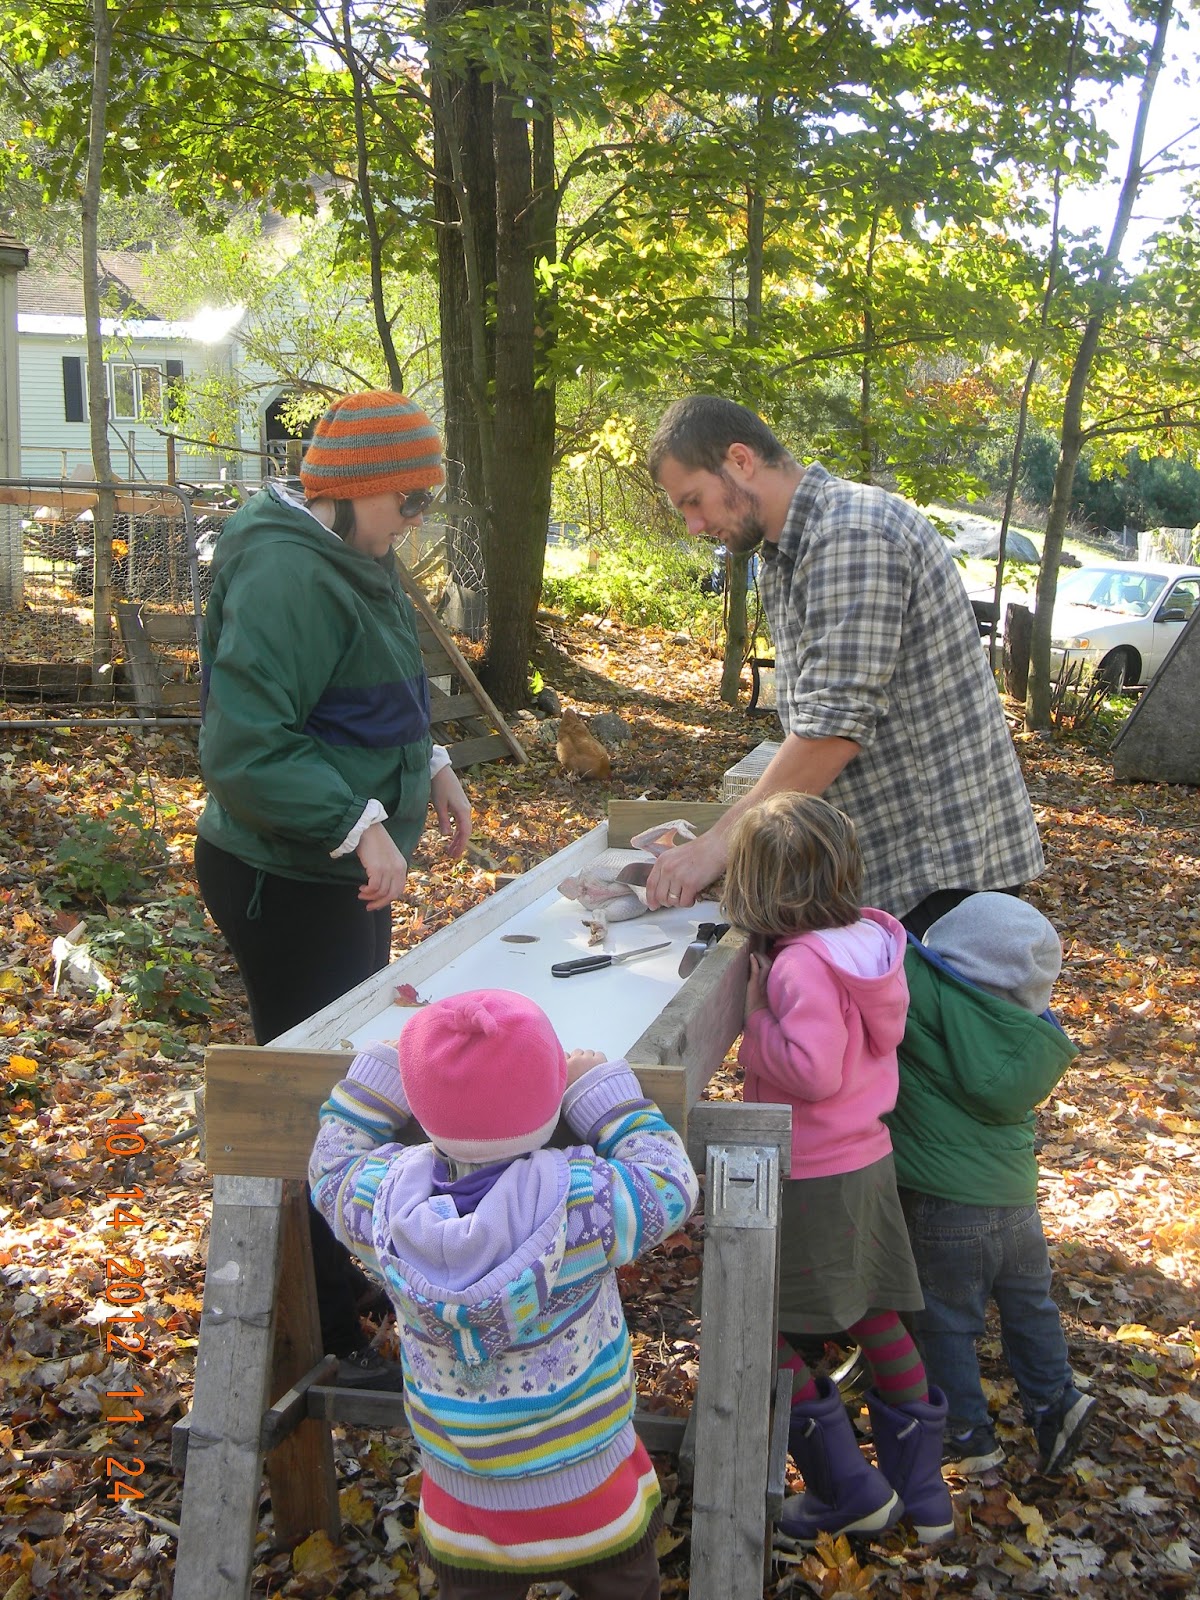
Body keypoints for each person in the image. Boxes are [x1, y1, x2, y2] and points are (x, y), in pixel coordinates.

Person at [194, 390, 472, 1387]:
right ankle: (313, 1328)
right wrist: (358, 824)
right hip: (285, 876)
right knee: (322, 1104)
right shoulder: (281, 570)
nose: (417, 519)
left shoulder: (358, 552)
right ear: (349, 489)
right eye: (408, 500)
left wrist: (431, 763)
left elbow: (375, 681)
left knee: (349, 1089)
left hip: (335, 871)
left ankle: (333, 1288)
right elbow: (244, 747)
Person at [308, 989, 700, 1600]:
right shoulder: (581, 1203)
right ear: (548, 1096)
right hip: (593, 1485)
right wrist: (601, 1092)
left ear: (421, 1102)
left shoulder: (384, 1204)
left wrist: (377, 1081)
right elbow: (668, 1181)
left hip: (466, 1501)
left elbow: (329, 1169)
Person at [644, 395, 1045, 935]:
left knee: (938, 1024)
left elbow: (832, 731)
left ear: (740, 460)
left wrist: (720, 846)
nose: (694, 525)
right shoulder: (787, 554)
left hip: (944, 874)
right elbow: (818, 717)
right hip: (896, 866)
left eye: (695, 500)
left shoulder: (851, 534)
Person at [723, 792, 954, 1545]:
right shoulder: (870, 945)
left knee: (761, 1320)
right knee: (874, 1312)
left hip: (814, 1170)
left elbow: (813, 1071)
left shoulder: (798, 968)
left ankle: (846, 1487)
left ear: (760, 887)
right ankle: (924, 1500)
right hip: (866, 1157)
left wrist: (756, 1024)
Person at [888, 893, 1097, 1478]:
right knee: (1030, 1305)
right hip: (1016, 1203)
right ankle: (1055, 1400)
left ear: (956, 952)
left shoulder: (929, 992)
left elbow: (886, 946)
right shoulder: (1028, 1032)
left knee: (946, 1321)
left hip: (945, 1203)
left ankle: (968, 1435)